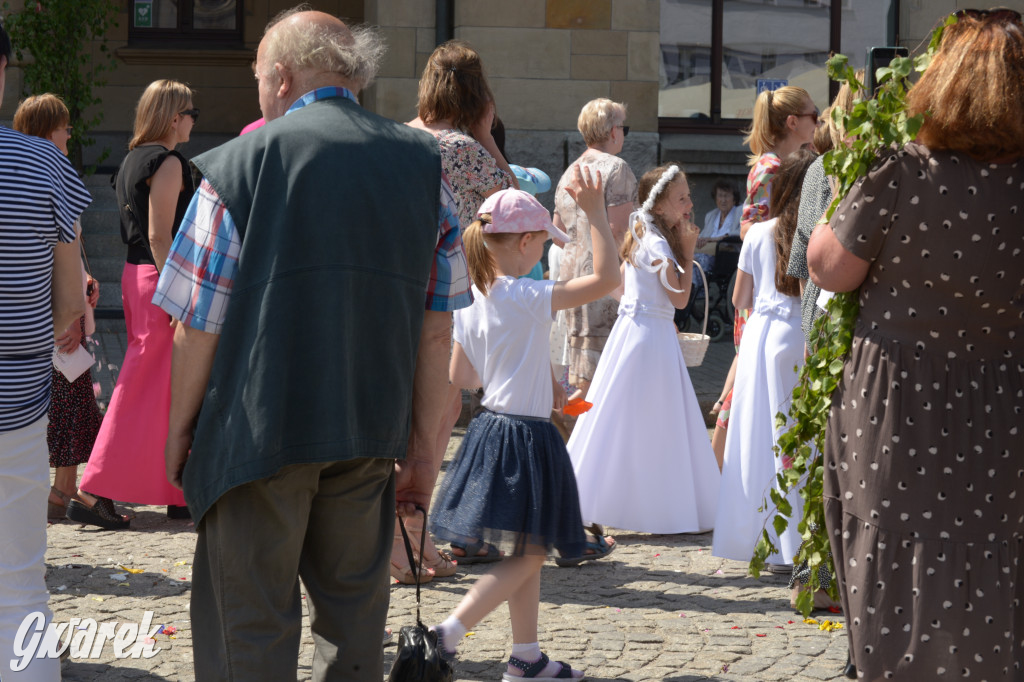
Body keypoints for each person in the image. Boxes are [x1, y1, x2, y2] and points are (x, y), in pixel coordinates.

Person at [153, 8, 466, 680]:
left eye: (260, 76)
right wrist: (424, 452)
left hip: (255, 438)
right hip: (367, 433)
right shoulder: (426, 168)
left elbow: (197, 323)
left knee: (250, 632)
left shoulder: (240, 164)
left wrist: (180, 431)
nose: (260, 90)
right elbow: (439, 329)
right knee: (354, 634)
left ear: (283, 77)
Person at [807, 9, 1024, 678]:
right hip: (1005, 396)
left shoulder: (900, 169)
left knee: (896, 543)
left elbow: (827, 269)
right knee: (998, 543)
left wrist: (844, 176)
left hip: (899, 400)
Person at [428, 168, 618, 680]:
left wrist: (536, 377)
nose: (542, 255)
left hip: (491, 429)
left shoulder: (472, 298)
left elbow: (463, 376)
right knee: (529, 555)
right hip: (525, 437)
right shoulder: (525, 295)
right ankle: (450, 631)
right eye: (542, 245)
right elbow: (608, 281)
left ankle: (526, 656)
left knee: (528, 546)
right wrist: (597, 215)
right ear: (528, 242)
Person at [398, 39, 514, 578]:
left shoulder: (401, 135)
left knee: (404, 428)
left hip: (397, 295)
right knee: (433, 429)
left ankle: (410, 543)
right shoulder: (463, 149)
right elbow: (514, 211)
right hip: (447, 298)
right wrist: (487, 136)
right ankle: (410, 546)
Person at [0, 22, 92, 680]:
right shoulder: (45, 165)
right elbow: (69, 304)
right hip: (17, 395)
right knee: (19, 587)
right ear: (2, 74)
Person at [68, 79, 197, 529]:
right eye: (189, 113)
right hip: (158, 277)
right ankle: (92, 489)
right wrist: (177, 290)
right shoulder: (166, 161)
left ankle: (172, 490)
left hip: (139, 276)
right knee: (145, 384)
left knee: (160, 384)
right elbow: (161, 234)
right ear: (173, 116)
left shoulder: (133, 160)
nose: (194, 121)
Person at [567, 163, 720, 534]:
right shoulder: (655, 241)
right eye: (681, 198)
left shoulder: (642, 233)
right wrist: (687, 253)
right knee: (651, 419)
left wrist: (644, 307)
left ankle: (606, 497)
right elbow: (681, 300)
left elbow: (619, 286)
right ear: (660, 205)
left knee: (626, 418)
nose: (688, 204)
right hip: (647, 341)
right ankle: (651, 503)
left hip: (637, 331)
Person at [712, 149, 816, 566]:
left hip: (758, 336)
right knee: (794, 437)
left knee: (755, 434)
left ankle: (757, 538)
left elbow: (739, 299)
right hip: (795, 331)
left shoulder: (756, 233)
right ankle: (798, 547)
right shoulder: (810, 230)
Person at [710, 85, 818, 468]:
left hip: (769, 292)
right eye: (813, 117)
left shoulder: (778, 163)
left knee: (740, 380)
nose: (817, 123)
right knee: (739, 382)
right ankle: (717, 465)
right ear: (793, 122)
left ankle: (719, 464)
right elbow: (749, 227)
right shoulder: (771, 167)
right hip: (767, 294)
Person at [11, 94, 102, 522]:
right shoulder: (47, 170)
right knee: (67, 404)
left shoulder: (27, 169)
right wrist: (68, 316)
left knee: (70, 403)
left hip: (51, 315)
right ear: (50, 131)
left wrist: (85, 281)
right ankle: (58, 495)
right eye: (64, 127)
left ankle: (60, 493)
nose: (69, 133)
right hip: (52, 321)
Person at [554, 98, 637, 401]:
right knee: (605, 380)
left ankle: (573, 435)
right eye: (623, 127)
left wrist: (580, 246)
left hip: (572, 282)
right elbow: (620, 232)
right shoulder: (617, 169)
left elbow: (558, 233)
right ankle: (580, 437)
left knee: (581, 374)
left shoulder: (570, 172)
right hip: (606, 282)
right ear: (613, 131)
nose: (624, 134)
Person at [787, 78, 859, 344]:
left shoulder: (821, 169)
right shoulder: (904, 166)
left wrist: (810, 330)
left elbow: (802, 263)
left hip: (827, 325)